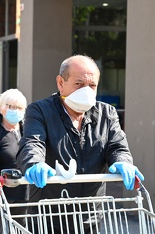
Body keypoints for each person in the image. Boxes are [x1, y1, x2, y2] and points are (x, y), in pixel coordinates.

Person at [16, 55, 145, 233]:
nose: (87, 91)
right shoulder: (40, 111)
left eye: (92, 86)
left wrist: (122, 160)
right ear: (61, 83)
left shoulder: (107, 113)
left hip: (90, 216)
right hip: (48, 217)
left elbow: (117, 146)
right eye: (79, 84)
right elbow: (32, 142)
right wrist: (34, 163)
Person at [0, 88, 29, 234]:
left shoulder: (28, 130)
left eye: (19, 107)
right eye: (10, 106)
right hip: (0, 195)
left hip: (25, 193)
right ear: (1, 107)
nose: (14, 110)